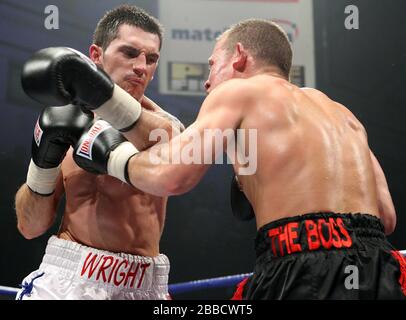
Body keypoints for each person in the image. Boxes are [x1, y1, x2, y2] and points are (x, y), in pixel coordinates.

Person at [58, 18, 405, 299]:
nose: (208, 82)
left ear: (238, 56)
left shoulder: (238, 92)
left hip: (301, 266)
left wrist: (111, 157)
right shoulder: (342, 114)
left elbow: (172, 176)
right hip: (377, 266)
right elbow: (386, 217)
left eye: (212, 65)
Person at [15, 5, 183, 300]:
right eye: (130, 53)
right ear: (96, 55)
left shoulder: (164, 129)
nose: (142, 66)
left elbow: (175, 170)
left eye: (152, 58)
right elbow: (30, 226)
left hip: (139, 285)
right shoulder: (63, 120)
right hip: (66, 276)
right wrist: (43, 164)